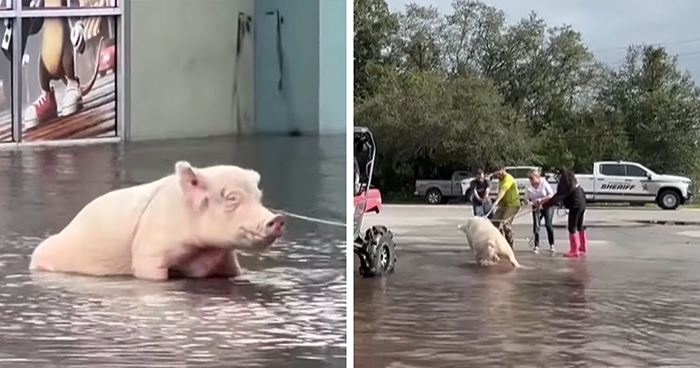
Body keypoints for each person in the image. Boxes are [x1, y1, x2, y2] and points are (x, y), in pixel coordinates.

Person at [541, 170, 587, 258]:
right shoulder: (574, 183)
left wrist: (545, 205)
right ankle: (583, 247)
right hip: (582, 202)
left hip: (575, 205)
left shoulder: (565, 182)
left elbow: (558, 197)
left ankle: (574, 250)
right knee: (580, 226)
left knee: (572, 228)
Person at [524, 169, 555, 253]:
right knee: (536, 225)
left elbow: (551, 195)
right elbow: (526, 198)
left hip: (547, 206)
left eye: (532, 178)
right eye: (530, 179)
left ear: (537, 177)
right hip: (536, 206)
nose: (531, 181)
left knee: (548, 224)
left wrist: (541, 199)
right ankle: (536, 245)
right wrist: (530, 203)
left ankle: (552, 244)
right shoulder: (529, 186)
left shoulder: (544, 184)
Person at [492, 166, 521, 248]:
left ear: (502, 170)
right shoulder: (500, 180)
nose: (497, 174)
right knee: (494, 222)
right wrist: (498, 203)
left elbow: (503, 190)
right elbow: (500, 191)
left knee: (505, 224)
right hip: (503, 205)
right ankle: (499, 242)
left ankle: (509, 244)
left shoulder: (508, 178)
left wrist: (497, 200)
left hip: (513, 204)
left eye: (498, 172)